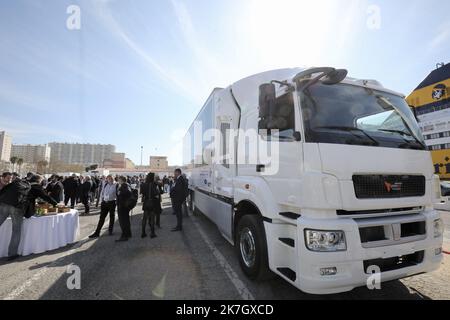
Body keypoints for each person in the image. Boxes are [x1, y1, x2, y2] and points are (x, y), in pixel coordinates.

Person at [141, 173, 160, 239]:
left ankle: (143, 232)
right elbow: (157, 194)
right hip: (152, 202)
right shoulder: (154, 185)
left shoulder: (143, 184)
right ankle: (152, 233)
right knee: (152, 218)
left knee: (144, 218)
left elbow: (142, 193)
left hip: (146, 202)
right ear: (152, 177)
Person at [116, 176, 133, 242]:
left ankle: (124, 236)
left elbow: (127, 194)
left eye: (119, 179)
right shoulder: (127, 185)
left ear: (121, 180)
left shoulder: (124, 186)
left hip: (122, 207)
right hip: (124, 206)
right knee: (126, 221)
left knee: (123, 222)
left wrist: (122, 199)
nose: (118, 180)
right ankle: (128, 234)